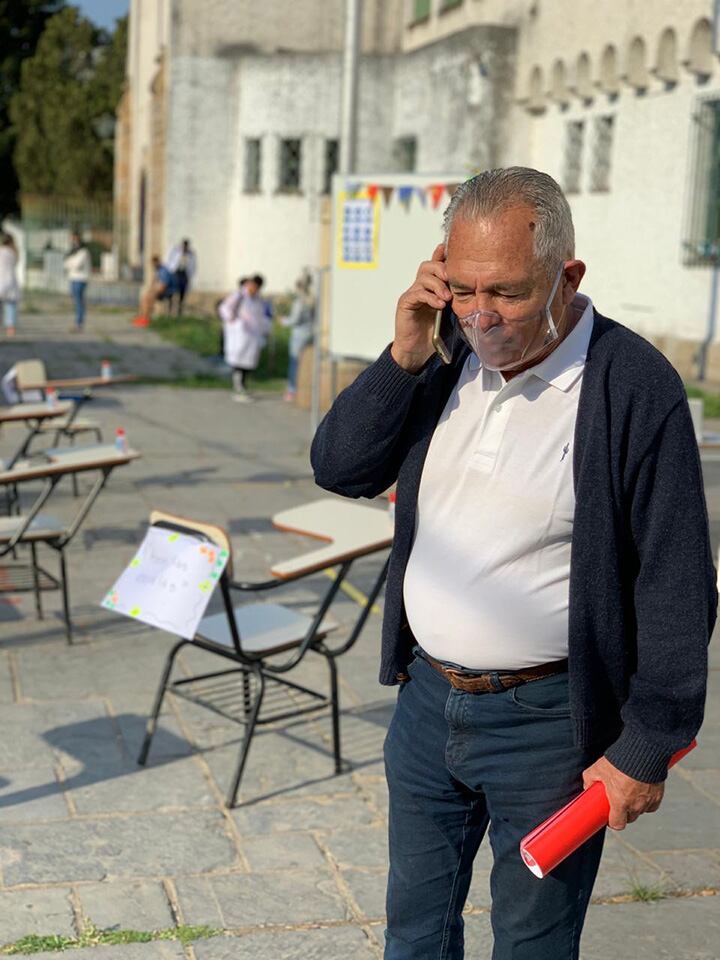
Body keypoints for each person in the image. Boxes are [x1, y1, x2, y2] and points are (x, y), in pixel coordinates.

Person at [311, 167, 717, 960]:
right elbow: (342, 467)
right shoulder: (445, 358)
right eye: (461, 288)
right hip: (428, 707)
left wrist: (648, 744)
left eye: (506, 292)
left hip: (549, 730)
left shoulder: (631, 386)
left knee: (533, 944)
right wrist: (404, 353)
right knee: (413, 934)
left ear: (567, 277)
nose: (481, 316)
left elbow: (677, 581)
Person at [219, 274, 272, 402]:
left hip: (252, 336)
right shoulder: (239, 296)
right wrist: (232, 319)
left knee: (248, 363)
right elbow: (225, 309)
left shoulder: (258, 300)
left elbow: (262, 317)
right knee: (238, 361)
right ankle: (238, 388)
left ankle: (243, 386)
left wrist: (265, 330)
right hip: (239, 334)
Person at [282, 270, 315, 401]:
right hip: (310, 332)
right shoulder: (312, 299)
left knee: (294, 362)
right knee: (305, 362)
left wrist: (284, 320)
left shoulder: (299, 302)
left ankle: (292, 389)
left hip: (299, 335)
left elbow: (295, 320)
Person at [133, 255, 176, 327]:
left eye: (154, 263)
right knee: (144, 297)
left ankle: (146, 318)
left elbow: (163, 286)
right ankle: (142, 316)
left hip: (168, 291)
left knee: (149, 298)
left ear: (157, 262)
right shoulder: (158, 271)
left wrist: (153, 293)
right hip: (161, 290)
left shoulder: (163, 271)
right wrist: (150, 291)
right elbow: (154, 284)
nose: (153, 265)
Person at [64, 232, 91, 332]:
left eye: (74, 239)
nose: (73, 241)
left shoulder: (83, 251)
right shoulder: (72, 251)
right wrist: (70, 263)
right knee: (76, 301)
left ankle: (79, 323)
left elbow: (76, 265)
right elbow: (65, 263)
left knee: (79, 301)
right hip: (73, 278)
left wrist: (70, 263)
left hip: (81, 279)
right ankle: (77, 322)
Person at [166, 238, 197, 315]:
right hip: (175, 272)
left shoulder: (191, 254)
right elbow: (169, 260)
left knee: (182, 292)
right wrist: (170, 270)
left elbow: (193, 266)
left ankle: (179, 311)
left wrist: (191, 275)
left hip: (184, 273)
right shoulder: (175, 251)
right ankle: (170, 310)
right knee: (172, 291)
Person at [0, 233, 20, 339]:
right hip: (11, 280)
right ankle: (10, 328)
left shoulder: (1, 251)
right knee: (10, 305)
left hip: (1, 280)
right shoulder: (14, 252)